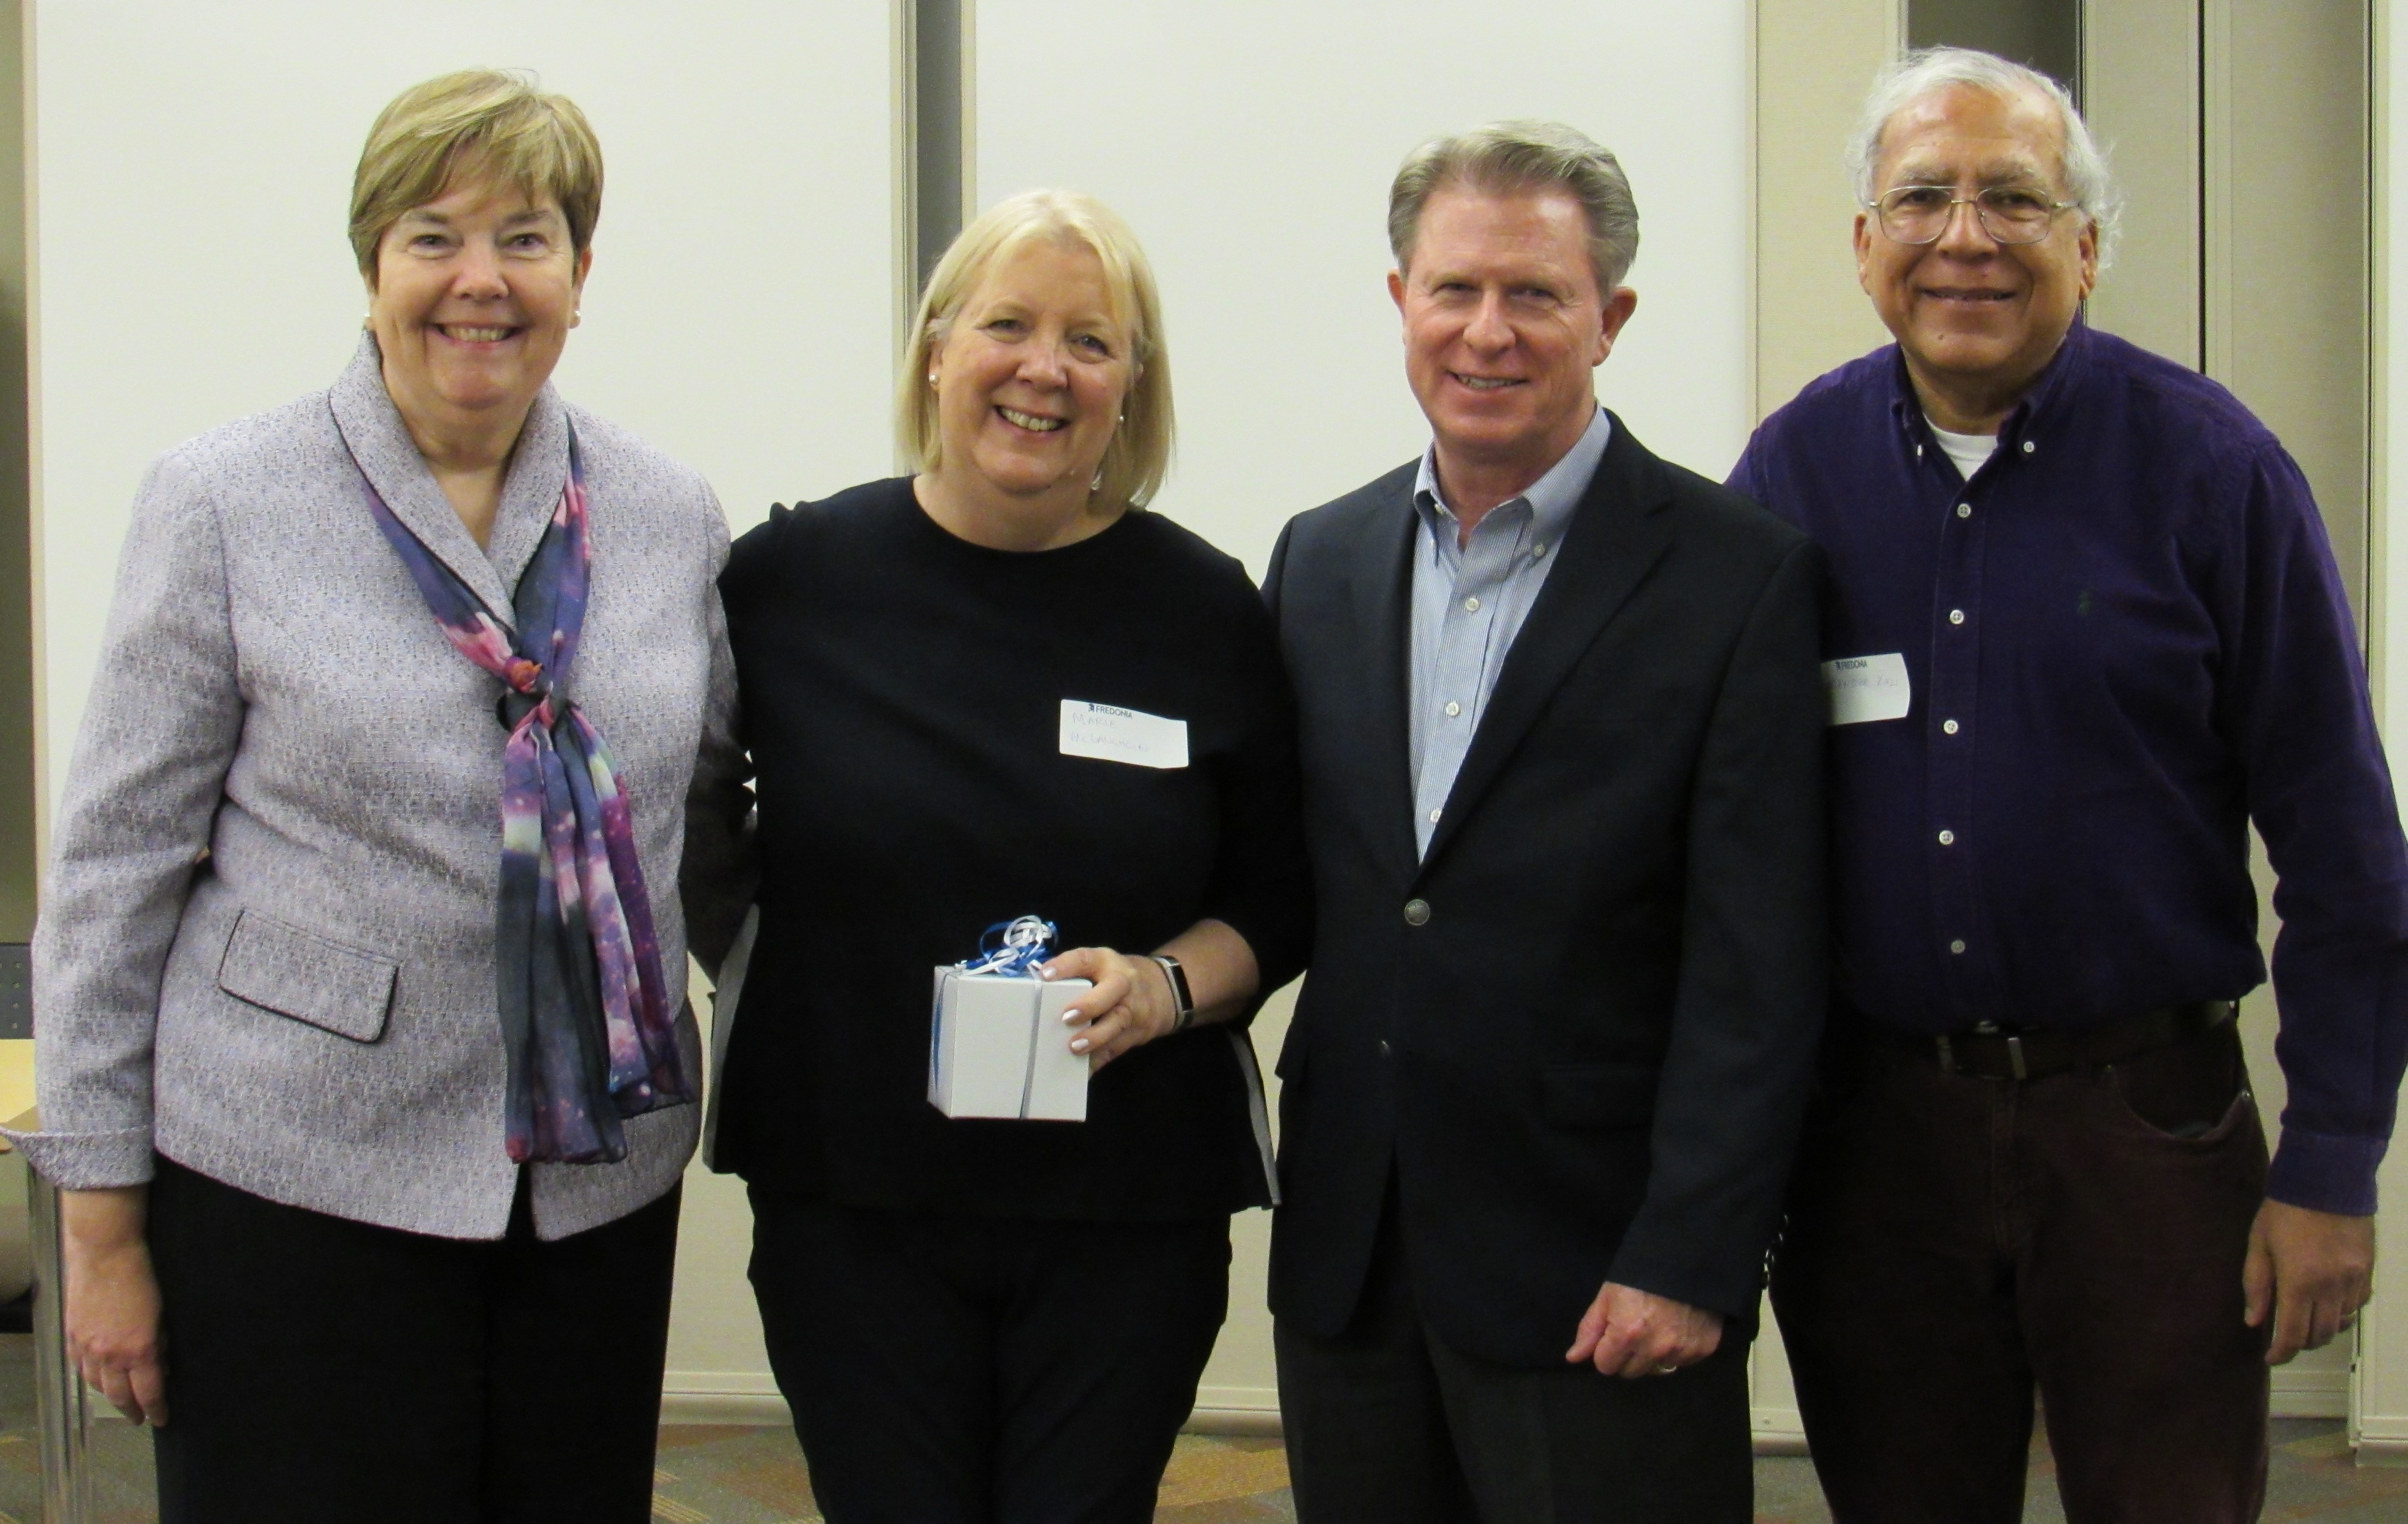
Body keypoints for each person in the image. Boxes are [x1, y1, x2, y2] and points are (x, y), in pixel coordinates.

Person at [11, 70, 743, 1522]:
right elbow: (114, 874)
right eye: (433, 236)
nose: (481, 279)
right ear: (372, 270)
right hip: (292, 1177)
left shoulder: (669, 516)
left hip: (591, 1186)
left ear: (581, 277)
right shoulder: (224, 499)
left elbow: (705, 815)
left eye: (526, 238)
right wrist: (99, 1232)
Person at [1727, 47, 2408, 1524]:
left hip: (2148, 1137)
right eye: (1922, 198)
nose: (1964, 238)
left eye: (2016, 202)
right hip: (1876, 1148)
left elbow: (2348, 854)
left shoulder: (2216, 471)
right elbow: (1724, 832)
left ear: (2087, 248)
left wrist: (2334, 1164)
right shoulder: (1792, 477)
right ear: (1863, 245)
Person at [702, 187, 1309, 1524]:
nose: (1045, 369)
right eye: (1008, 326)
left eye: (1091, 342)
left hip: (1125, 1210)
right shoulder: (790, 582)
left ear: (1131, 386)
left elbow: (1278, 895)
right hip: (854, 1196)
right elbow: (690, 822)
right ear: (936, 349)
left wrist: (1162, 983)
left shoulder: (1207, 609)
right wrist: (808, 973)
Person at [1262, 121, 1828, 1523]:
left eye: (1536, 295)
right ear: (1401, 300)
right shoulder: (1319, 558)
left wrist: (1695, 1252)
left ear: (1611, 319)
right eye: (1454, 290)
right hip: (1358, 1262)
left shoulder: (1736, 581)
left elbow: (1760, 961)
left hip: (1603, 1275)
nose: (1488, 332)